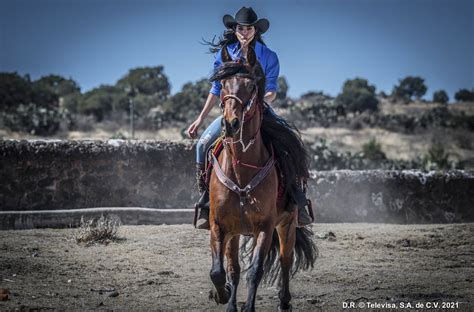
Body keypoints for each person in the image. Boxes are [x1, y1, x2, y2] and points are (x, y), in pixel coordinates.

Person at [187, 7, 313, 230]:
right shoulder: (225, 54)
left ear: (255, 30)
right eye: (240, 28)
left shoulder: (269, 56)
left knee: (290, 145)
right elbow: (216, 90)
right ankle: (206, 200)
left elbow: (272, 90)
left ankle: (297, 202)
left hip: (260, 110)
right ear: (235, 29)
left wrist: (260, 102)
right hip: (230, 111)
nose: (244, 32)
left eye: (248, 28)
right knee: (203, 145)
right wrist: (200, 118)